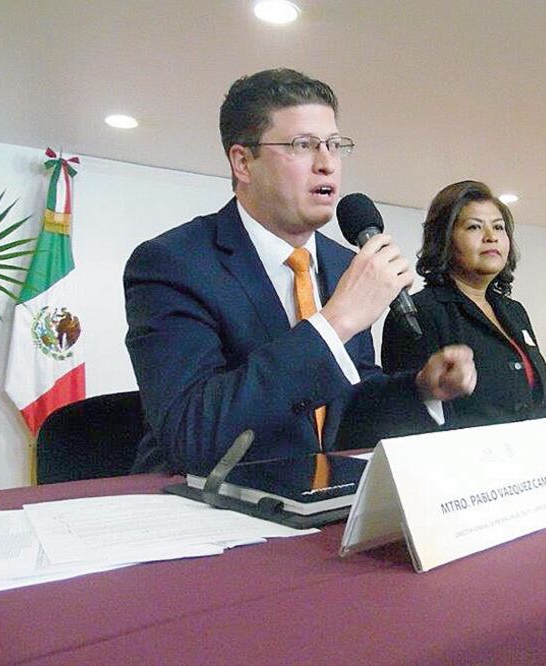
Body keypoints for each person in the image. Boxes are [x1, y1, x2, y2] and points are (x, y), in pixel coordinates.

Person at [124, 69, 476, 475]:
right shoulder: (172, 262)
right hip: (201, 501)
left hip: (316, 494)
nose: (327, 164)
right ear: (243, 162)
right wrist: (337, 321)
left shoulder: (342, 264)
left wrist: (421, 389)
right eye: (302, 145)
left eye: (334, 145)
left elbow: (345, 411)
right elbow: (192, 434)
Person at [381, 180, 546, 429]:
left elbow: (540, 394)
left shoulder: (514, 311)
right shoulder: (420, 312)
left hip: (533, 447)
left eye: (499, 227)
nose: (491, 237)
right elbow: (408, 413)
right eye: (474, 227)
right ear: (445, 239)